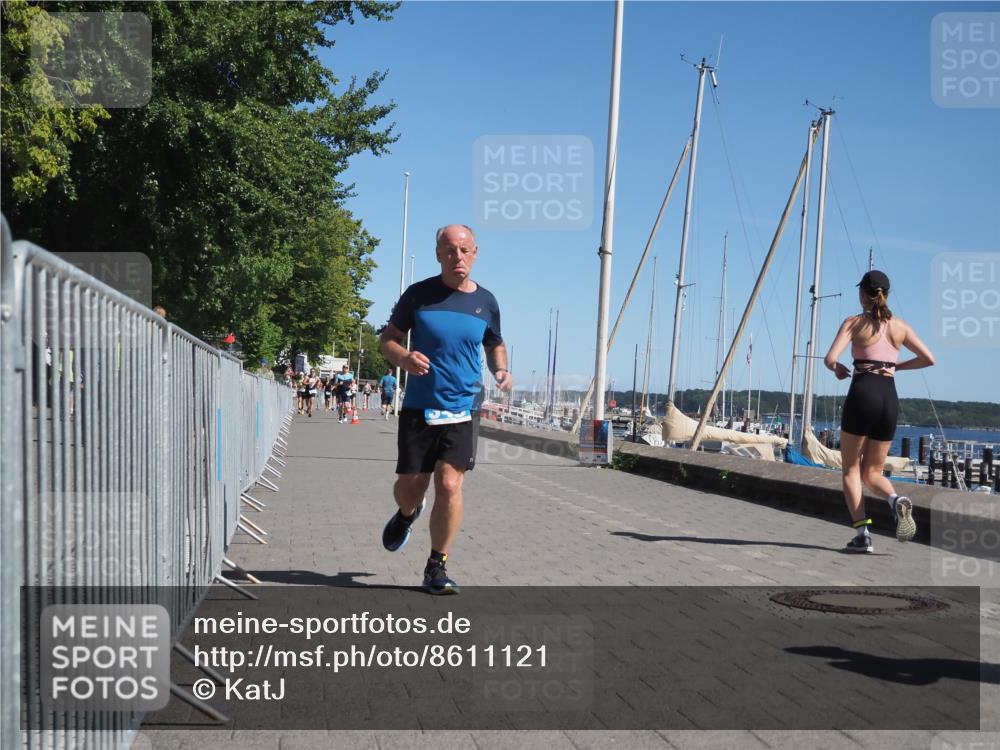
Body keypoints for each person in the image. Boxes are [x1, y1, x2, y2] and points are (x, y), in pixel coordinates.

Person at [378, 224, 511, 595]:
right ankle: (407, 514)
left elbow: (495, 343)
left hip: (463, 408)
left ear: (476, 252)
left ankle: (437, 566)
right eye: (450, 250)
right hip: (420, 407)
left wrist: (500, 367)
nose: (458, 257)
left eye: (465, 250)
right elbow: (387, 339)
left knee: (450, 485)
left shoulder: (486, 302)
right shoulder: (418, 296)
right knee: (411, 486)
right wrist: (403, 356)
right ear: (439, 254)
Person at [823, 270, 935, 553]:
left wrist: (837, 369)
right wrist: (896, 366)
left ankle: (863, 535)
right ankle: (895, 500)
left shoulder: (854, 323)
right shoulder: (901, 327)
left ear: (863, 294)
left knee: (850, 469)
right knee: (872, 472)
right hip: (889, 396)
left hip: (863, 393)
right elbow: (928, 358)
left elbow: (830, 358)